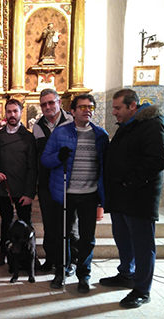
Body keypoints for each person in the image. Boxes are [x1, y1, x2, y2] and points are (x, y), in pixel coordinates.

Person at [99, 89, 164, 308]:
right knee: (123, 239)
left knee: (142, 244)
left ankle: (141, 289)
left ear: (132, 106)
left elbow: (157, 160)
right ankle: (126, 274)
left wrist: (131, 182)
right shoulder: (127, 126)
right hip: (121, 197)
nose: (114, 113)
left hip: (139, 197)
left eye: (118, 108)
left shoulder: (151, 124)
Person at [41, 94, 108, 293]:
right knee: (63, 235)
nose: (87, 110)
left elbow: (105, 166)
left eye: (91, 107)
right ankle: (61, 271)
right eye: (83, 107)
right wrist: (58, 157)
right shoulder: (60, 133)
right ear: (73, 111)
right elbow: (45, 160)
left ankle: (83, 275)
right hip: (66, 193)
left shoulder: (101, 135)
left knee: (87, 237)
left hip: (90, 193)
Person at [32, 89, 79, 277]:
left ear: (59, 102)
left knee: (69, 224)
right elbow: (38, 156)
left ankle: (71, 261)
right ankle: (51, 259)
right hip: (46, 182)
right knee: (49, 224)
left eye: (51, 102)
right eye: (44, 104)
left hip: (68, 181)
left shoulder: (71, 122)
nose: (48, 107)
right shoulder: (37, 126)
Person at [0, 99, 38, 266]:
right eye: (9, 111)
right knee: (6, 221)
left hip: (22, 188)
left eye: (15, 111)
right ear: (5, 113)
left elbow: (33, 167)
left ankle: (31, 253)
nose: (12, 115)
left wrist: (29, 193)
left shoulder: (28, 137)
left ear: (20, 112)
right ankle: (3, 251)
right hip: (4, 188)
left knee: (26, 222)